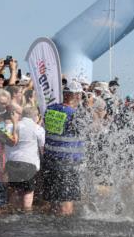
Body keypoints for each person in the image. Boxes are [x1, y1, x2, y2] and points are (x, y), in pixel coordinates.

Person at [42, 80, 85, 216]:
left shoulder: (50, 109)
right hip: (67, 163)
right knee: (66, 203)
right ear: (76, 95)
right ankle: (64, 233)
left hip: (50, 161)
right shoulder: (74, 114)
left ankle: (50, 232)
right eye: (80, 96)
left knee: (53, 202)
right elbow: (90, 128)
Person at [6, 105, 45, 211]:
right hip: (29, 163)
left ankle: (13, 213)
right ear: (36, 116)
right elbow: (42, 148)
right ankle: (26, 214)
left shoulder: (10, 126)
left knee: (15, 190)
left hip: (12, 162)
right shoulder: (38, 128)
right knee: (28, 191)